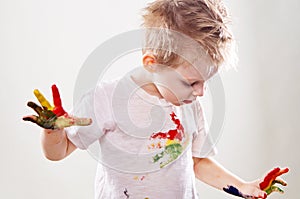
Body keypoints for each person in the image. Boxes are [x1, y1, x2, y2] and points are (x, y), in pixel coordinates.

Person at [23, 0, 288, 198]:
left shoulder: (187, 104)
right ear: (152, 63)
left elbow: (198, 161)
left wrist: (242, 186)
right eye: (192, 82)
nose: (200, 93)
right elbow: (59, 152)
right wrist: (51, 132)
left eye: (205, 82)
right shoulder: (106, 98)